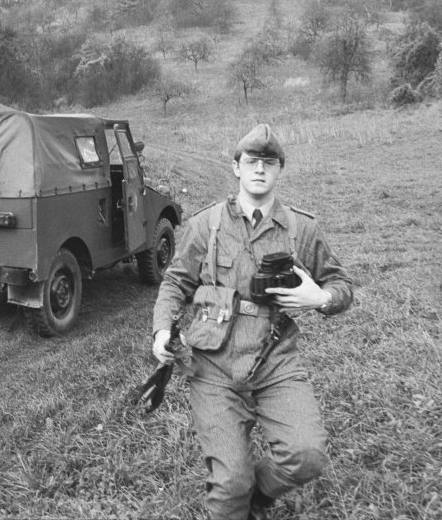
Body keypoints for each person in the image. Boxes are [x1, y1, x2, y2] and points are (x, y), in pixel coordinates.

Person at [151, 124, 354, 520]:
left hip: (274, 360)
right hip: (213, 364)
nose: (260, 169)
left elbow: (342, 284)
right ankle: (238, 498)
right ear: (236, 168)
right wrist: (162, 329)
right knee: (229, 486)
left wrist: (322, 297)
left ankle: (258, 495)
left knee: (306, 455)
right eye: (251, 162)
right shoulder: (205, 225)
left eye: (269, 163)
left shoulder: (301, 228)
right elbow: (175, 282)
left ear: (280, 170)